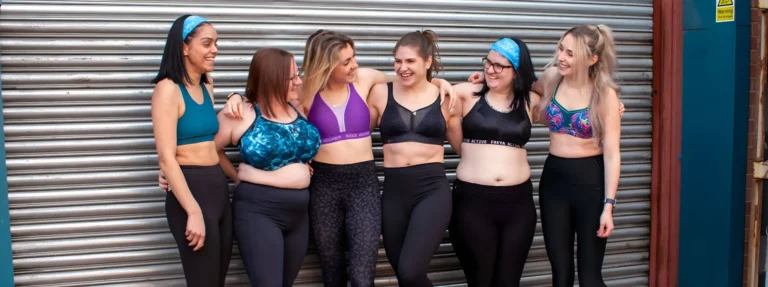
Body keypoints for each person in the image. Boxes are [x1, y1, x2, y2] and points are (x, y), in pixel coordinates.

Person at [219, 30, 456, 287]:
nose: (354, 64)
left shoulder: (363, 80)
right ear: (328, 65)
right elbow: (268, 97)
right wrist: (235, 96)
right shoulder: (306, 91)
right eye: (346, 62)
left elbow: (409, 79)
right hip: (324, 186)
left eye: (353, 57)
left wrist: (441, 83)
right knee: (332, 270)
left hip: (363, 185)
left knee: (362, 276)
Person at [212, 47, 321, 286]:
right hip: (259, 211)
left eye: (297, 74)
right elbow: (208, 149)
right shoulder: (242, 114)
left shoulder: (298, 107)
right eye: (291, 77)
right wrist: (236, 174)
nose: (298, 81)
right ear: (272, 78)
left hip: (299, 214)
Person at [366, 30, 462, 287]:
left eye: (410, 61)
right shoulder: (380, 93)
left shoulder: (447, 99)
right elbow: (355, 133)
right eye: (398, 61)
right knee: (402, 273)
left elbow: (464, 148)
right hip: (394, 192)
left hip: (432, 191)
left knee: (410, 270)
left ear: (428, 62)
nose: (402, 67)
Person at [532, 24, 622, 287]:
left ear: (592, 59)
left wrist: (608, 207)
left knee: (590, 278)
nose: (561, 57)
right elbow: (527, 95)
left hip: (590, 185)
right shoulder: (551, 78)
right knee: (561, 276)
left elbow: (613, 154)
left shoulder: (605, 94)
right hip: (554, 183)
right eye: (561, 49)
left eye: (571, 53)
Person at [444, 37, 539, 287]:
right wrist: (442, 81)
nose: (489, 69)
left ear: (517, 71)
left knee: (509, 282)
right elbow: (426, 88)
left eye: (499, 65)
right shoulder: (467, 93)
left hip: (518, 206)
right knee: (480, 281)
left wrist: (610, 100)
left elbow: (562, 83)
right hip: (474, 204)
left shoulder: (530, 101)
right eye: (488, 62)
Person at [150, 15, 233, 287]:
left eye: (216, 43)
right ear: (184, 47)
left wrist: (237, 98)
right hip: (191, 192)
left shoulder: (206, 85)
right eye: (207, 43)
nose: (215, 50)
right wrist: (193, 211)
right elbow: (166, 157)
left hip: (218, 189)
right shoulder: (167, 90)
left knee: (217, 280)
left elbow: (211, 137)